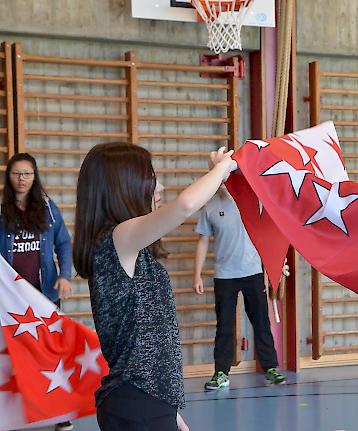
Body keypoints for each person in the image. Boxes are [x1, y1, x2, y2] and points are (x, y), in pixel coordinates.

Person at [73, 143, 234, 431]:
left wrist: (170, 411)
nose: (160, 187)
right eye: (152, 177)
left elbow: (148, 337)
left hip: (148, 402)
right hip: (137, 403)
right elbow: (185, 205)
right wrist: (222, 170)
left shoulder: (129, 248)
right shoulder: (117, 239)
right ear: (124, 185)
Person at [0, 153, 74, 431]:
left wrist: (65, 276)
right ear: (9, 177)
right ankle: (13, 412)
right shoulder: (1, 209)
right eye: (17, 174)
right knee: (10, 356)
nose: (22, 179)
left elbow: (64, 244)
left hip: (43, 296)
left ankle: (60, 413)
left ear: (35, 176)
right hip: (10, 301)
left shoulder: (47, 208)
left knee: (51, 354)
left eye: (27, 174)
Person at [192, 185, 286, 390]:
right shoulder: (210, 207)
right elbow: (202, 241)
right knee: (224, 326)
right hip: (225, 275)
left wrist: (275, 265)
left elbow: (270, 233)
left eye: (229, 177)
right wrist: (197, 274)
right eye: (221, 177)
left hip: (252, 272)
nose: (225, 182)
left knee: (261, 321)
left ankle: (270, 368)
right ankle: (221, 373)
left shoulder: (254, 202)